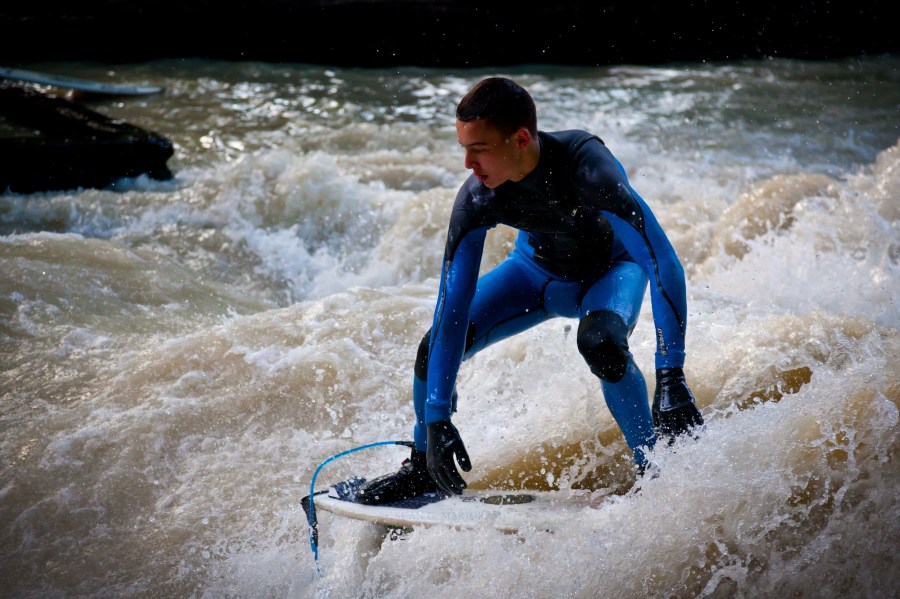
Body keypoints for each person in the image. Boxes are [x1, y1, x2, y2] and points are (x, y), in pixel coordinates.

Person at [357, 77, 703, 504]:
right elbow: (452, 308)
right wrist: (437, 418)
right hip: (532, 275)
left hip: (610, 273)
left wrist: (671, 375)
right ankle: (423, 469)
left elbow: (661, 261)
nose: (467, 163)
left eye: (479, 148)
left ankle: (655, 470)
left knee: (601, 345)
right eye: (463, 147)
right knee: (433, 348)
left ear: (520, 139)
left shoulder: (587, 167)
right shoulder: (477, 199)